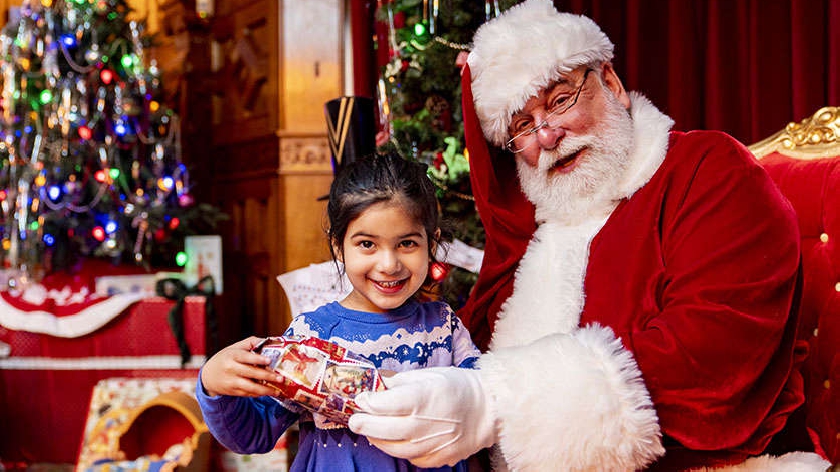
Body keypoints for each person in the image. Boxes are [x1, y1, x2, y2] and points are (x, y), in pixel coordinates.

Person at [348, 1, 832, 471]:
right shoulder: (530, 237)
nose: (547, 135)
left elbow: (708, 357)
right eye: (522, 127)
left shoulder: (711, 172)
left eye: (560, 101)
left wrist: (493, 403)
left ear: (612, 83)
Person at [196, 152, 482, 472]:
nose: (389, 265)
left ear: (432, 244)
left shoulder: (445, 328)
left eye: (407, 244)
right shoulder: (311, 334)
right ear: (338, 246)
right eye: (367, 245)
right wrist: (212, 384)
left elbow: (484, 407)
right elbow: (254, 435)